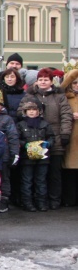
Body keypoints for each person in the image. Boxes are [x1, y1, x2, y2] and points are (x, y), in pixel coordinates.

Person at [17, 68, 73, 209]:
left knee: (53, 173)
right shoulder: (29, 95)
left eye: (46, 79)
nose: (43, 82)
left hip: (54, 139)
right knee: (32, 176)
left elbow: (66, 116)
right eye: (40, 79)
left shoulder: (59, 96)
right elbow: (20, 112)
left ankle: (54, 200)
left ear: (51, 81)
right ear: (37, 81)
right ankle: (33, 201)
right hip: (32, 140)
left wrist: (65, 134)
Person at [16, 101, 55, 212]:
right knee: (27, 181)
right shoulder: (20, 125)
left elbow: (52, 137)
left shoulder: (45, 124)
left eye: (34, 109)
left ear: (39, 111)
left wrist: (48, 143)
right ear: (25, 111)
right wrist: (25, 145)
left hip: (43, 158)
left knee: (41, 180)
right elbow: (16, 139)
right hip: (26, 158)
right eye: (29, 110)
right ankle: (27, 203)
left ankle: (41, 202)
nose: (32, 112)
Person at [60, 65, 78, 206]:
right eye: (75, 82)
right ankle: (70, 199)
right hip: (70, 136)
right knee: (70, 170)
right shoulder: (64, 97)